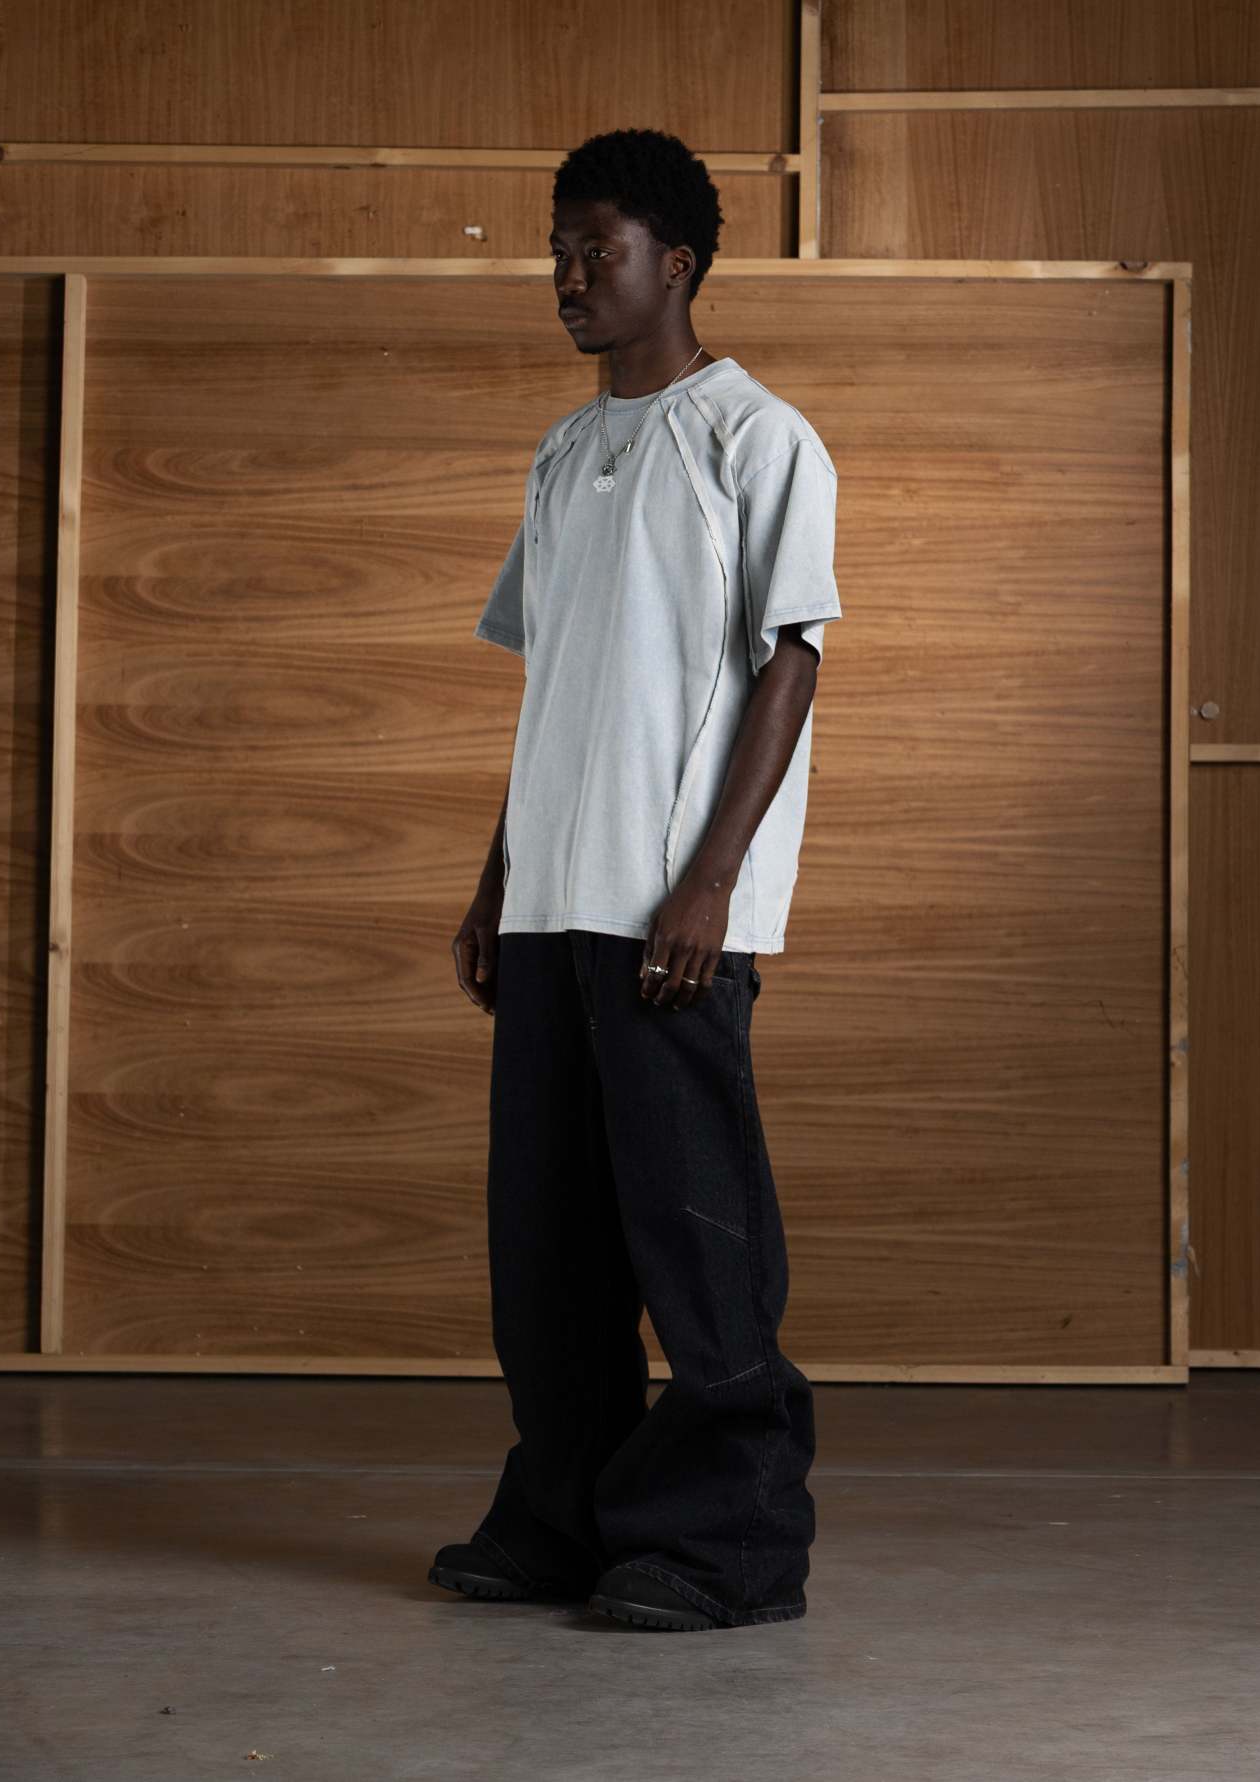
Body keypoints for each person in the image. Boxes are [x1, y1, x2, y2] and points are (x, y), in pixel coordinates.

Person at [431, 127, 843, 1632]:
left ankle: (730, 1541)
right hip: (555, 904)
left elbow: (791, 662)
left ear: (674, 262)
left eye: (592, 251)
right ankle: (566, 1513)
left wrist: (710, 884)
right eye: (556, 252)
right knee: (546, 1239)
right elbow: (553, 688)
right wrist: (498, 880)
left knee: (691, 1227)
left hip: (671, 909)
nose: (565, 277)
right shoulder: (563, 453)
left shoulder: (757, 437)